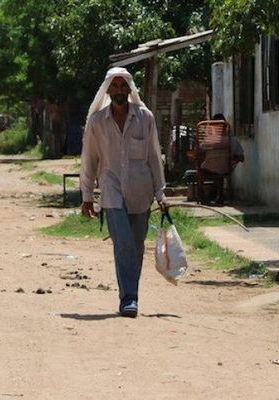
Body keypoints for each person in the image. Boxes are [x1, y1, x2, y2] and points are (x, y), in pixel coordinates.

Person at [80, 67, 168, 318]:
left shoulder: (145, 117)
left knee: (137, 246)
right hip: (110, 189)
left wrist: (161, 193)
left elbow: (153, 157)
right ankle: (128, 298)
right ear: (107, 90)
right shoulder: (97, 122)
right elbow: (89, 159)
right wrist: (87, 195)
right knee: (124, 244)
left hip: (141, 192)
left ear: (129, 89)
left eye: (123, 86)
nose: (119, 91)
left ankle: (131, 294)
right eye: (114, 86)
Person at [199, 113, 244, 205]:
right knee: (220, 171)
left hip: (208, 169)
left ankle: (204, 195)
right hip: (226, 168)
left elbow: (199, 153)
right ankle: (219, 194)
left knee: (201, 169)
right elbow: (241, 157)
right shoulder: (233, 141)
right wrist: (233, 159)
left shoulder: (208, 141)